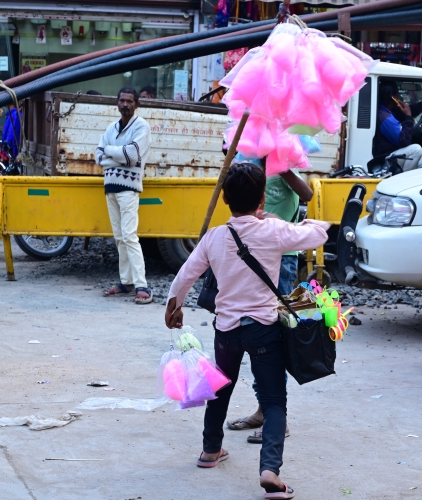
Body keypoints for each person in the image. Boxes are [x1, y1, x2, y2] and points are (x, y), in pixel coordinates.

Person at [165, 162, 329, 498]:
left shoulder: (215, 237)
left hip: (226, 330)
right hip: (263, 330)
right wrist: (272, 219)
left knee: (220, 388)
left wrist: (174, 306)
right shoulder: (272, 231)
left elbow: (185, 275)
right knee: (273, 400)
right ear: (262, 199)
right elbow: (318, 232)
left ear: (225, 199)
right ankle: (270, 470)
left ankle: (210, 451)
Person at [226, 160, 313, 444]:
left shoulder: (283, 166)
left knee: (274, 339)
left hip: (281, 260)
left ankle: (277, 418)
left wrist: (285, 169)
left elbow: (307, 194)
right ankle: (264, 409)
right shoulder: (248, 167)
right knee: (257, 338)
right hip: (252, 259)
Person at [97, 87, 153, 304]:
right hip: (110, 186)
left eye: (130, 101)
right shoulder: (111, 127)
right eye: (122, 100)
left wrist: (109, 151)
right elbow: (98, 157)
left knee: (129, 236)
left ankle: (142, 285)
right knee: (120, 238)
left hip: (129, 189)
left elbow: (131, 156)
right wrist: (116, 154)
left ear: (136, 104)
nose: (125, 104)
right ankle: (126, 282)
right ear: (117, 102)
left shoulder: (141, 126)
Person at [370, 81, 422, 171]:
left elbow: (409, 109)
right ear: (393, 97)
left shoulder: (388, 110)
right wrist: (408, 118)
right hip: (385, 157)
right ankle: (402, 179)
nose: (399, 97)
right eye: (397, 94)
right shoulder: (385, 118)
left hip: (392, 152)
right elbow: (404, 142)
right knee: (416, 149)